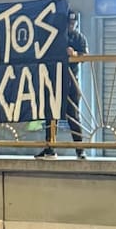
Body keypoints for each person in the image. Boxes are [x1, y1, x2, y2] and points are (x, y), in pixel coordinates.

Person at [36, 9, 88, 158]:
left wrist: (75, 54)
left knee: (73, 116)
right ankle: (50, 147)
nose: (71, 26)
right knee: (51, 115)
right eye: (69, 23)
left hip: (72, 83)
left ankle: (80, 150)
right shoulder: (58, 37)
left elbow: (85, 56)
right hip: (55, 81)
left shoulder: (79, 38)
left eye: (73, 23)